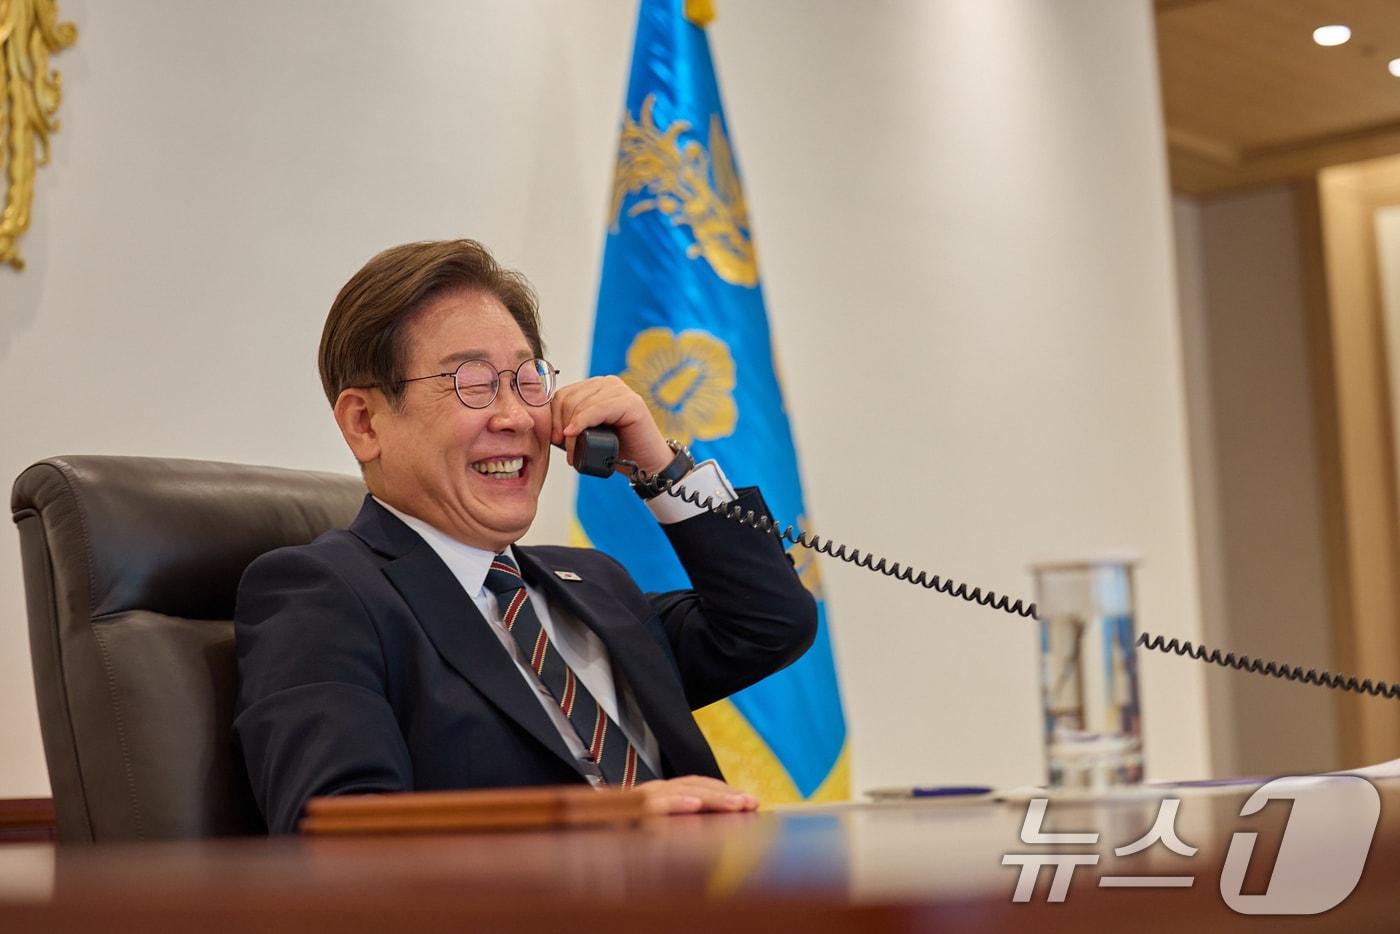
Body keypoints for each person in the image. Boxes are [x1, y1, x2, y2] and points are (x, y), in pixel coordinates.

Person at [234, 239, 817, 833]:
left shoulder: (592, 583)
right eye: (473, 382)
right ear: (365, 424)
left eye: (526, 379)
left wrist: (659, 467)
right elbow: (338, 829)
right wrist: (600, 818)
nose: (514, 416)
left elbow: (770, 624)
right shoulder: (326, 594)